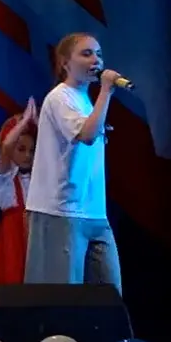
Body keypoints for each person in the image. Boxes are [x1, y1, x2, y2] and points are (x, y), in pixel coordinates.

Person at [24, 34, 121, 291]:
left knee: (109, 293)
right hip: (61, 210)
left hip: (93, 210)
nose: (95, 60)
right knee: (64, 295)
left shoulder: (86, 101)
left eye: (98, 54)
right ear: (65, 63)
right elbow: (86, 135)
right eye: (86, 54)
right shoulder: (59, 98)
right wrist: (106, 91)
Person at [0, 98, 36, 285]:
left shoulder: (38, 176)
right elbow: (7, 146)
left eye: (31, 150)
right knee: (12, 277)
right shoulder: (4, 175)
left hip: (36, 232)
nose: (27, 155)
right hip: (12, 235)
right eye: (21, 149)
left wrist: (37, 123)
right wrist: (25, 121)